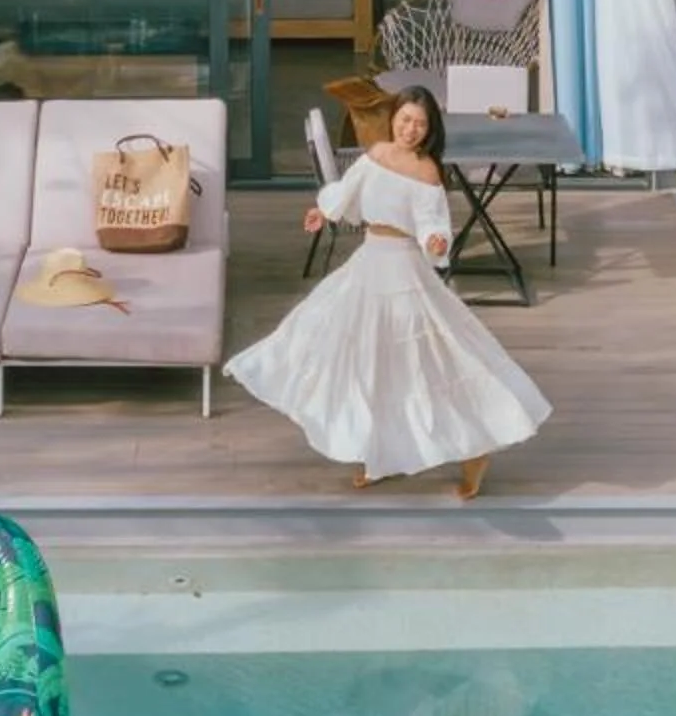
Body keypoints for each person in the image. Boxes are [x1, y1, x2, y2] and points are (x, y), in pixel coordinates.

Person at [225, 86, 551, 497]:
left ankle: (476, 449)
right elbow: (346, 195)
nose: (410, 129)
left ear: (429, 130)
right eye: (405, 119)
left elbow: (433, 223)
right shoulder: (375, 154)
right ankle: (378, 452)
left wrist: (436, 241)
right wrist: (322, 212)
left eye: (420, 124)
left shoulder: (427, 169)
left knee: (436, 362)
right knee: (363, 360)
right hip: (368, 264)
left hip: (404, 268)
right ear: (394, 117)